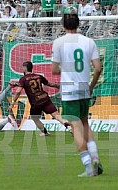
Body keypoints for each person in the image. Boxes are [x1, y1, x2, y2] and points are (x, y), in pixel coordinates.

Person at [51, 6, 103, 177]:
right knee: (85, 123)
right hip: (84, 89)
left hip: (69, 89)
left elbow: (54, 70)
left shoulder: (59, 43)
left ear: (63, 24)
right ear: (78, 23)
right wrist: (91, 86)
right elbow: (97, 68)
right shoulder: (89, 42)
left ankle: (88, 165)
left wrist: (66, 67)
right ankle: (95, 156)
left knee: (75, 127)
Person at [9, 61, 70, 136]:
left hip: (36, 102)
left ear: (25, 68)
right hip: (45, 98)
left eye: (22, 67)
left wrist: (12, 103)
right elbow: (49, 84)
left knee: (35, 118)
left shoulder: (23, 79)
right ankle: (66, 124)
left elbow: (18, 92)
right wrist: (59, 86)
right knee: (56, 115)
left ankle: (45, 132)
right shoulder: (39, 76)